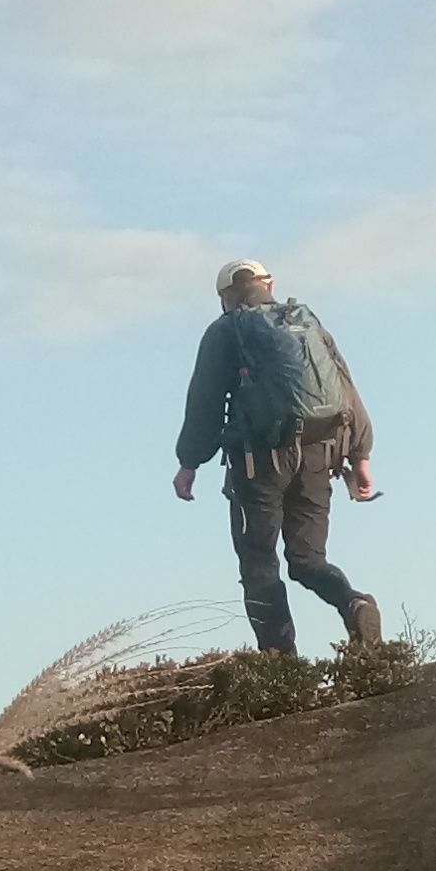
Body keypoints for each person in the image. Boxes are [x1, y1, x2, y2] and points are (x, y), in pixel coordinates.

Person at [172, 258, 384, 657]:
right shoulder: (308, 323)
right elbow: (345, 384)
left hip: (260, 464)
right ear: (268, 285)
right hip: (321, 454)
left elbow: (205, 401)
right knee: (307, 559)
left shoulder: (226, 330)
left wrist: (189, 462)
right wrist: (361, 456)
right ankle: (354, 603)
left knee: (258, 561)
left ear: (226, 297)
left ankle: (280, 663)